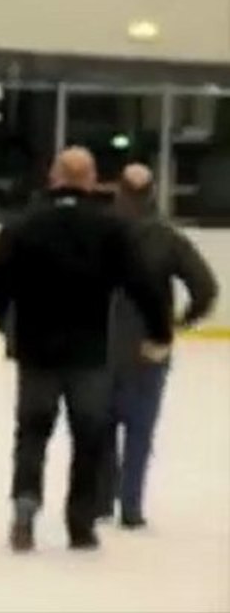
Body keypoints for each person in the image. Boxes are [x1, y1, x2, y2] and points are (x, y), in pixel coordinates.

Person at [0, 147, 173, 553]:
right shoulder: (109, 228)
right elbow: (143, 282)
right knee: (89, 436)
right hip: (89, 350)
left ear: (54, 176)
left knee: (32, 433)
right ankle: (81, 523)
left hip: (36, 349)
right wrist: (159, 331)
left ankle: (26, 506)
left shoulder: (24, 223)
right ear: (91, 178)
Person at [97, 164, 218, 528]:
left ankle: (101, 501)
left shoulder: (99, 231)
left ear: (119, 190)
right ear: (152, 193)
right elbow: (206, 288)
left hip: (100, 344)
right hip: (149, 345)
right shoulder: (167, 238)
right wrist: (180, 321)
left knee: (99, 427)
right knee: (140, 429)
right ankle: (130, 507)